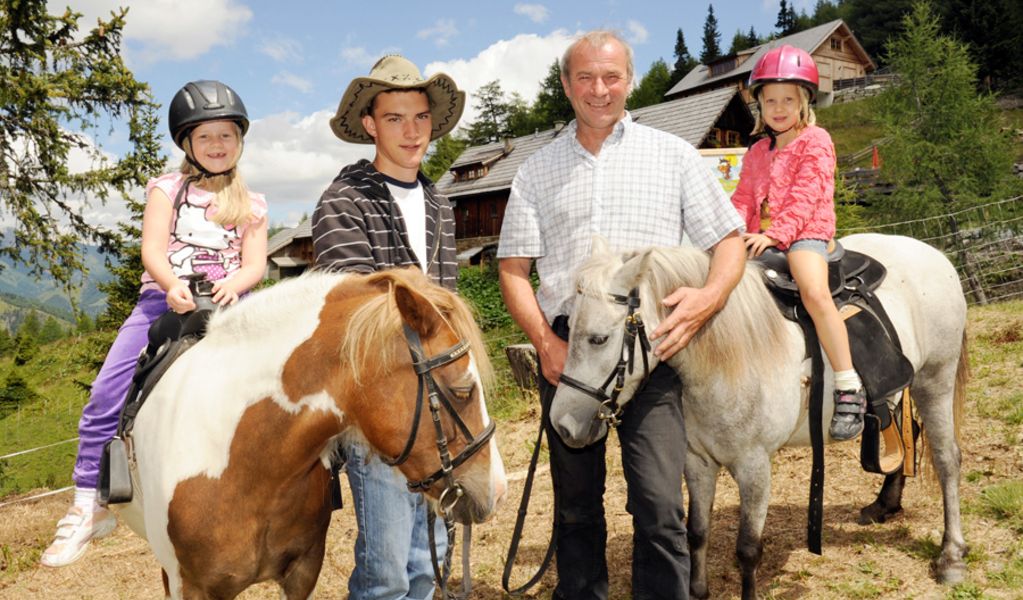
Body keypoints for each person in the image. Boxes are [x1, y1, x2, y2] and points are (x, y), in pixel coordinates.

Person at [497, 30, 746, 600]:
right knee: (576, 506)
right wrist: (544, 340)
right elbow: (513, 270)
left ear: (629, 80)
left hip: (650, 350)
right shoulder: (535, 172)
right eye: (584, 77)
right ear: (566, 86)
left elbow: (730, 241)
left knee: (659, 504)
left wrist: (708, 297)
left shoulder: (674, 154)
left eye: (611, 76)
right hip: (570, 351)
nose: (599, 89)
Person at [41, 80, 268, 567]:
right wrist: (169, 285)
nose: (217, 145)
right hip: (163, 303)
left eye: (226, 135)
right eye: (205, 136)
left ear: (240, 141)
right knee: (106, 392)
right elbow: (151, 248)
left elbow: (256, 263)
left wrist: (236, 282)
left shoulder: (253, 204)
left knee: (286, 382)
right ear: (187, 143)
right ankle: (89, 501)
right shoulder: (167, 189)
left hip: (232, 306)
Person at [312, 54, 466, 599]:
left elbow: (446, 312)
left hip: (437, 415)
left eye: (420, 117)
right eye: (395, 118)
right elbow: (360, 317)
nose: (411, 130)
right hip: (380, 414)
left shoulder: (440, 205)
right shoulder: (342, 202)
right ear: (371, 125)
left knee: (430, 563)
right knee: (386, 574)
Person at [730, 45, 866, 441]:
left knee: (813, 290)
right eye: (770, 100)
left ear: (804, 101)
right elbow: (741, 198)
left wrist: (776, 234)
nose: (778, 107)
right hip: (761, 234)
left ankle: (847, 384)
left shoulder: (816, 140)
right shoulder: (756, 150)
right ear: (759, 104)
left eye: (788, 99)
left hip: (806, 232)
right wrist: (727, 232)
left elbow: (807, 195)